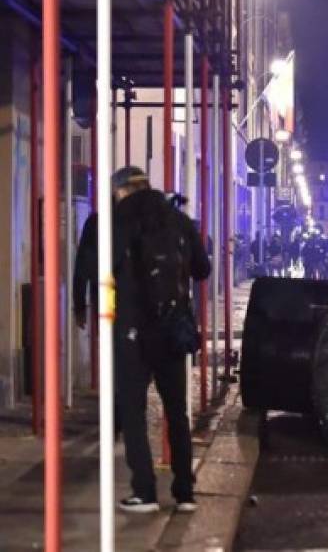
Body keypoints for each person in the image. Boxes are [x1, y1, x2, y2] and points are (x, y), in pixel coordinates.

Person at [110, 166, 210, 514]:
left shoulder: (118, 220)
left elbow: (101, 268)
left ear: (120, 191)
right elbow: (203, 269)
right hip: (172, 328)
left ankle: (145, 492)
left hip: (133, 330)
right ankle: (184, 492)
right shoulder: (178, 219)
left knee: (134, 412)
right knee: (176, 411)